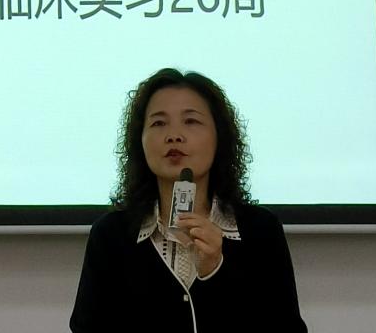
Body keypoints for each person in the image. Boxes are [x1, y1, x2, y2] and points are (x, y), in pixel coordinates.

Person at [69, 68, 307, 333]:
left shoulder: (260, 230)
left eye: (191, 121)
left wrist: (215, 271)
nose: (174, 135)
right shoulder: (111, 235)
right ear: (140, 141)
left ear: (219, 137)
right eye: (158, 123)